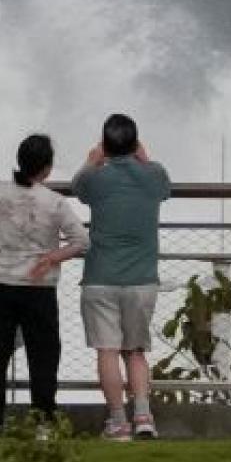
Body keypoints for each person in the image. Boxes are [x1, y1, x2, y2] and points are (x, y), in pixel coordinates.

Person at [0, 135, 89, 439]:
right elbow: (81, 241)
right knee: (43, 355)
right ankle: (43, 421)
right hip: (39, 287)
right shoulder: (54, 201)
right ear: (47, 168)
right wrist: (52, 257)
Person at [71, 114, 172, 441]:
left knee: (107, 351)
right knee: (137, 350)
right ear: (136, 143)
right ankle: (143, 416)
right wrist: (145, 158)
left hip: (100, 276)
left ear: (105, 146)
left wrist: (91, 161)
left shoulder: (95, 180)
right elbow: (162, 184)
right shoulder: (154, 176)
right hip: (142, 279)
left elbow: (78, 186)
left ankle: (118, 422)